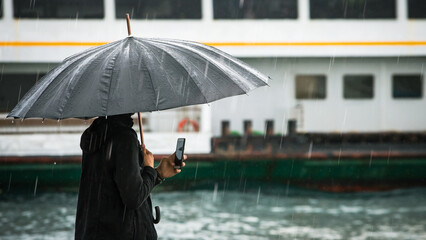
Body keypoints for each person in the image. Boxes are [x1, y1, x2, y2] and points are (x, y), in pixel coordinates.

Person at [75, 113, 186, 240]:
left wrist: (158, 174)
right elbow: (134, 197)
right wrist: (149, 169)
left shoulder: (95, 134)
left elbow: (115, 187)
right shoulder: (124, 137)